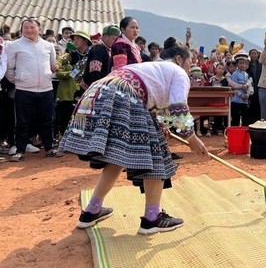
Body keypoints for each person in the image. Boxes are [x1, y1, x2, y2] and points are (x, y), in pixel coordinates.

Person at [59, 38, 209, 234]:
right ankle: (152, 218)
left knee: (117, 156)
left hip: (99, 91)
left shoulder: (152, 68)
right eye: (191, 63)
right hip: (123, 95)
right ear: (180, 59)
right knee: (156, 157)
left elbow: (162, 109)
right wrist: (192, 139)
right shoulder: (178, 72)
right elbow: (178, 108)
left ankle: (91, 211)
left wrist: (163, 125)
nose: (191, 68)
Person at [6, 17, 62, 161]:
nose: (29, 30)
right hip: (24, 90)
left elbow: (52, 65)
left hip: (46, 89)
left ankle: (49, 148)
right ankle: (20, 151)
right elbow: (9, 69)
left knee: (47, 120)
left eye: (32, 27)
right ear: (21, 29)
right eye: (26, 27)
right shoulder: (14, 45)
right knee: (23, 121)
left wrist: (50, 73)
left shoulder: (48, 46)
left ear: (39, 29)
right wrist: (19, 79)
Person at [81, 25, 121, 89]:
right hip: (94, 89)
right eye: (114, 39)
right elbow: (95, 72)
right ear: (105, 37)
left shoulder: (109, 50)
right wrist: (99, 88)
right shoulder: (98, 50)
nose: (116, 42)